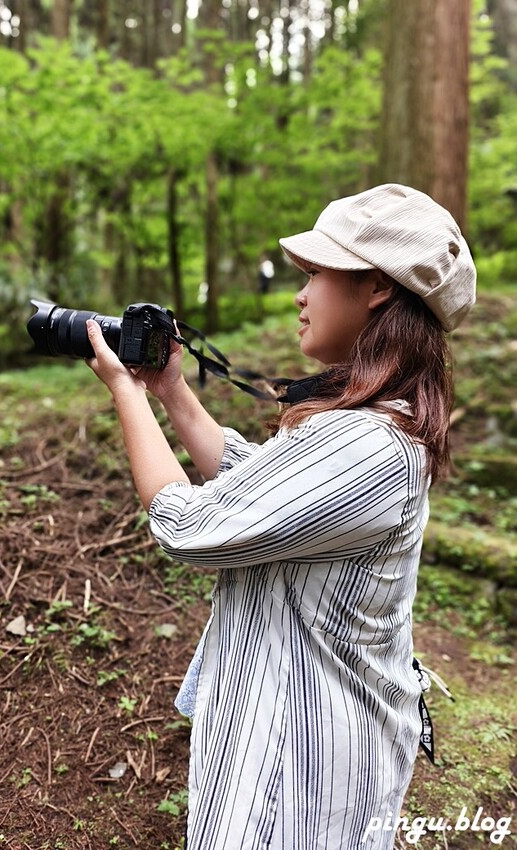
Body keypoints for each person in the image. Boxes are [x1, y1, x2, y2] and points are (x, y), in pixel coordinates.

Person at [84, 183, 476, 850]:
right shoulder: (365, 425)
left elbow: (188, 525)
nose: (299, 295)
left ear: (376, 288)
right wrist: (171, 391)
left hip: (299, 766)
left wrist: (125, 392)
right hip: (280, 733)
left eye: (316, 273)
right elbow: (251, 486)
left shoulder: (368, 447)